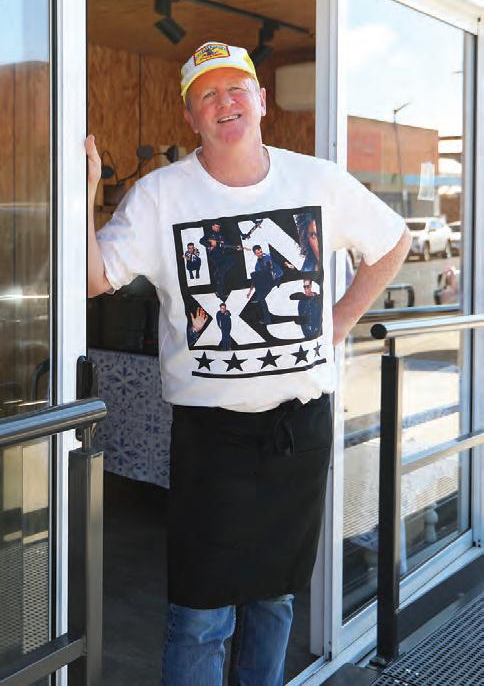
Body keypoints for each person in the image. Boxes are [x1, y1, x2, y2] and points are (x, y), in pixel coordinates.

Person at [85, 40, 411, 686]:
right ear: (191, 117)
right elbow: (96, 278)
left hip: (299, 430)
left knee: (274, 598)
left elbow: (393, 241)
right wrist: (81, 192)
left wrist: (338, 323)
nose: (224, 102)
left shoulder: (316, 180)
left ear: (261, 101)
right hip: (211, 437)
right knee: (199, 614)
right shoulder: (159, 197)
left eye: (236, 88)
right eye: (207, 94)